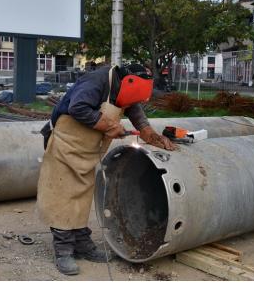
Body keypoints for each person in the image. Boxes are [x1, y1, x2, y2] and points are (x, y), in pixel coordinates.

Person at [37, 64, 176, 275]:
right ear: (127, 82)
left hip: (87, 149)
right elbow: (78, 108)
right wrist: (112, 127)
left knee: (82, 197)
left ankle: (82, 244)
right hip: (65, 144)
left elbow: (133, 108)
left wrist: (149, 133)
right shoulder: (96, 81)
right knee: (63, 196)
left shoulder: (124, 86)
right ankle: (63, 250)